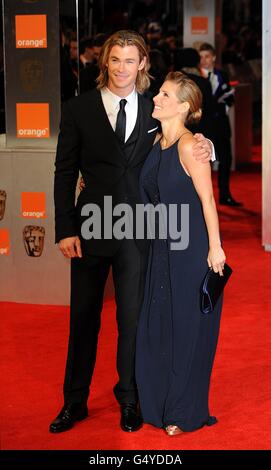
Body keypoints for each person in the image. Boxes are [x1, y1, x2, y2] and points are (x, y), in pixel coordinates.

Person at [51, 30, 213, 434]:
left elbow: (185, 143)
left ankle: (129, 398)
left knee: (132, 321)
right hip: (89, 228)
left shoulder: (154, 110)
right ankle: (74, 401)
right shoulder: (78, 109)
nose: (122, 68)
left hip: (139, 232)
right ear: (104, 62)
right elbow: (64, 172)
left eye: (130, 60)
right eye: (115, 59)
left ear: (142, 64)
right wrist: (64, 228)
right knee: (83, 318)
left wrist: (208, 146)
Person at [136, 72, 226, 435]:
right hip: (159, 248)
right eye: (159, 92)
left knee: (187, 330)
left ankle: (181, 410)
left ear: (185, 106)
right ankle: (157, 402)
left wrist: (216, 248)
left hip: (190, 252)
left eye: (165, 94)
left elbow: (208, 200)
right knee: (158, 327)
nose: (156, 97)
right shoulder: (155, 140)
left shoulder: (192, 146)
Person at [199, 42, 242, 206]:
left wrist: (224, 105)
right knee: (204, 162)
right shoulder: (195, 77)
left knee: (226, 159)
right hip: (204, 126)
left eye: (207, 56)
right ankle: (204, 199)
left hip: (221, 125)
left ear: (214, 58)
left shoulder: (222, 74)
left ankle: (225, 195)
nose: (204, 60)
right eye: (201, 57)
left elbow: (229, 97)